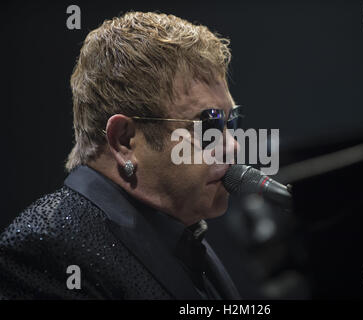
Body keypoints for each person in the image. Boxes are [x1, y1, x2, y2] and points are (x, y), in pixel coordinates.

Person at [0, 11, 241, 299]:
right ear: (124, 141)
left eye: (232, 121)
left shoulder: (178, 229)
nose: (232, 145)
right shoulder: (47, 250)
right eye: (208, 124)